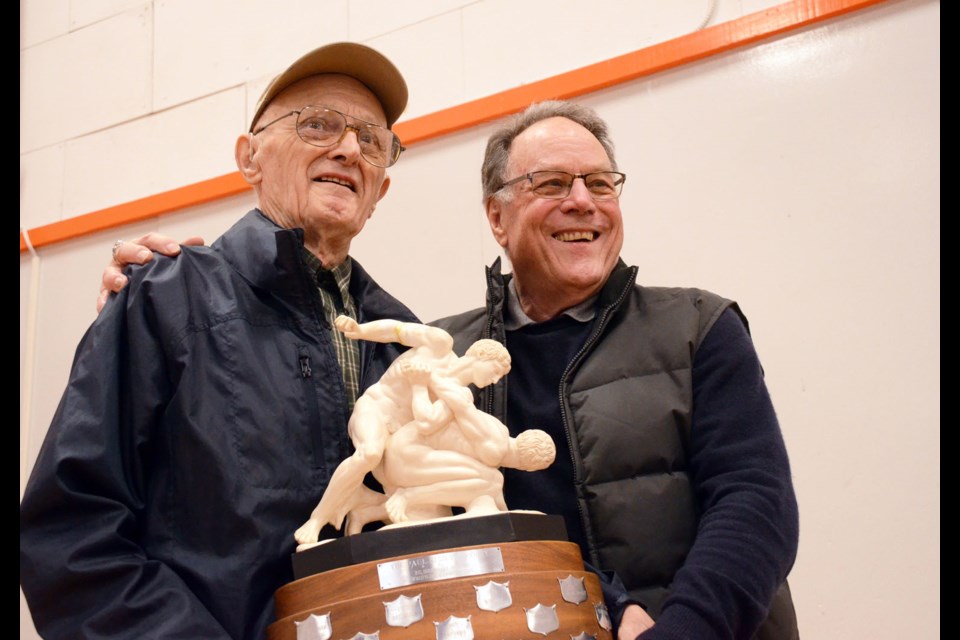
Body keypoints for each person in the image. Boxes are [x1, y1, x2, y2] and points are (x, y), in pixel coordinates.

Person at [89, 101, 801, 639]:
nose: (582, 200)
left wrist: (679, 630)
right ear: (497, 216)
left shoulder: (697, 327)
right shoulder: (437, 351)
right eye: (551, 182)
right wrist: (147, 299)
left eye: (599, 182)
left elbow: (754, 504)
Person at [19, 42, 419, 640]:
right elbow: (72, 534)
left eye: (371, 140)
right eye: (317, 124)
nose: (347, 148)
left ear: (381, 188)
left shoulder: (406, 342)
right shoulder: (165, 295)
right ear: (249, 158)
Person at [302, 316, 555, 536]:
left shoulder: (458, 393)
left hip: (401, 437)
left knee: (430, 519)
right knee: (369, 453)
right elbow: (397, 331)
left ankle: (365, 508)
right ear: (479, 355)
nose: (496, 379)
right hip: (377, 408)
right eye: (496, 370)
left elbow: (428, 423)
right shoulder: (440, 344)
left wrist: (420, 383)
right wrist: (361, 330)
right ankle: (317, 519)